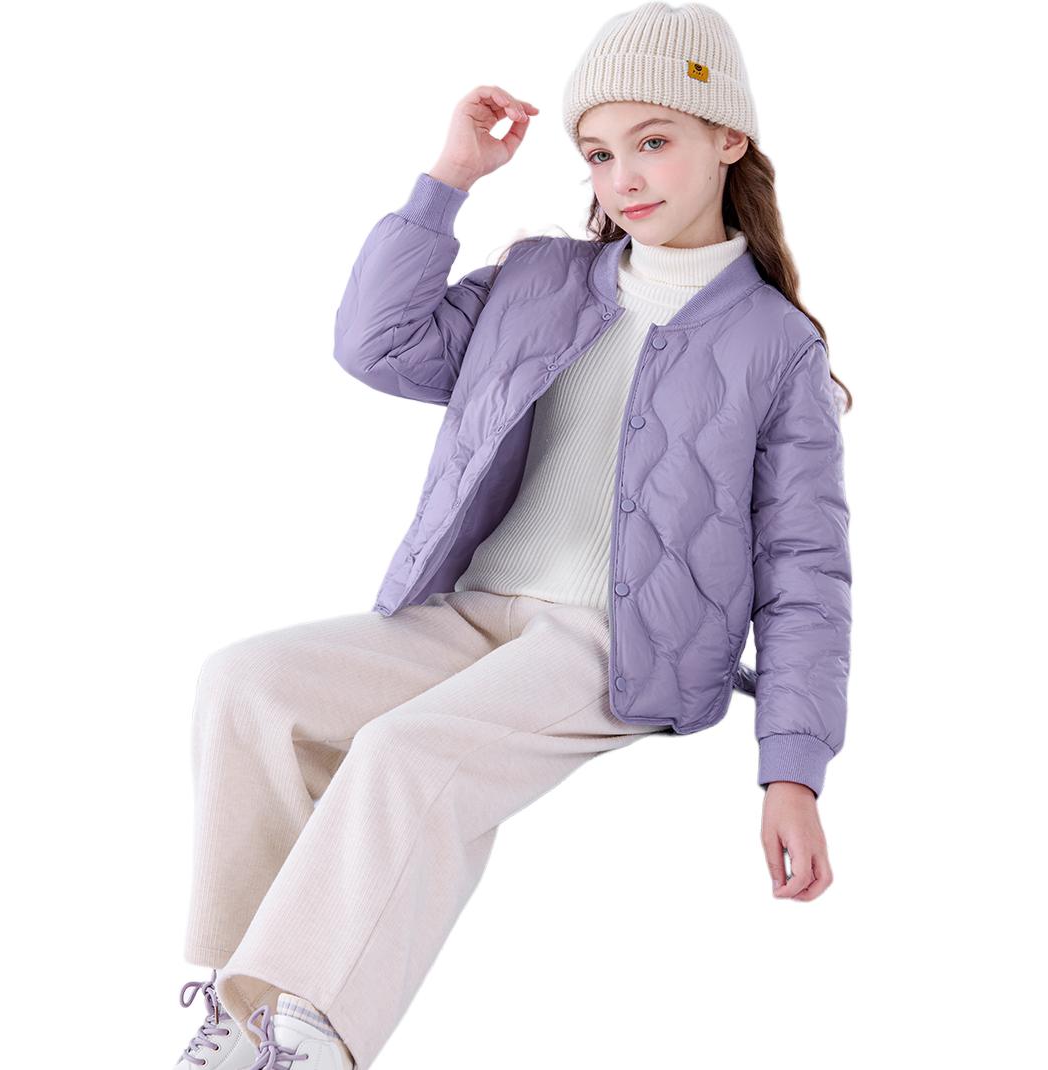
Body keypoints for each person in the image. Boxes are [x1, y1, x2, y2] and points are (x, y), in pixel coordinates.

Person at [173, 4, 853, 1067]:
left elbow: (806, 566)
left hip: (618, 644)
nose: (623, 177)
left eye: (653, 140)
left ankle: (313, 1033)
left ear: (728, 137)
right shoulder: (538, 277)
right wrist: (449, 179)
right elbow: (376, 346)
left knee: (406, 753)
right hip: (470, 611)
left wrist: (793, 772)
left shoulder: (778, 346)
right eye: (599, 153)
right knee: (244, 684)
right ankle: (239, 1006)